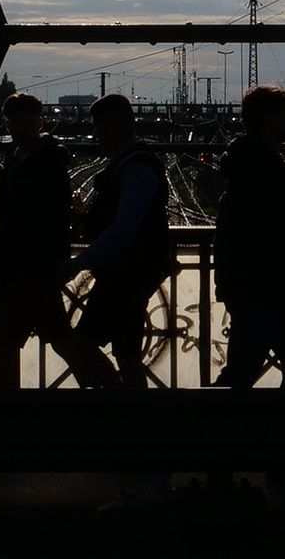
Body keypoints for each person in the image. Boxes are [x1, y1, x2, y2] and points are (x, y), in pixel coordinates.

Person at [0, 92, 120, 388]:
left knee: (6, 339)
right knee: (61, 339)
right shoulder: (31, 159)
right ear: (8, 126)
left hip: (32, 266)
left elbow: (43, 217)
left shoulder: (40, 163)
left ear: (39, 123)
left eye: (27, 123)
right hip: (37, 264)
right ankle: (104, 389)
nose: (22, 129)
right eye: (15, 124)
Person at [210, 86, 285, 388]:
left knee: (245, 372)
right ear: (270, 119)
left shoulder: (249, 164)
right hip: (269, 292)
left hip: (251, 289)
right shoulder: (265, 171)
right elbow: (272, 239)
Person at [68, 93, 173, 387]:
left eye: (98, 127)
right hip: (132, 269)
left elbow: (123, 228)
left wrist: (79, 262)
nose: (95, 135)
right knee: (125, 352)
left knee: (84, 342)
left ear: (114, 126)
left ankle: (121, 406)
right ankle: (130, 410)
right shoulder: (134, 164)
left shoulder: (135, 168)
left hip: (127, 271)